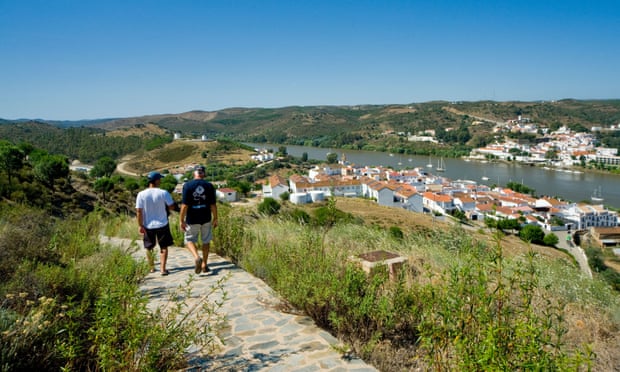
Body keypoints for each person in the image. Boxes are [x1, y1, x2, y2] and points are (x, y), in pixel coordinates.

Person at [136, 171, 176, 276]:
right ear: (157, 180)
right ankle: (163, 269)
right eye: (160, 179)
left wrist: (140, 225)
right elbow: (172, 206)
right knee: (163, 246)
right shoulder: (163, 192)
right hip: (162, 223)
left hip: (148, 224)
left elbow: (139, 211)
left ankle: (152, 268)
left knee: (149, 247)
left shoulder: (141, 194)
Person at [179, 165, 218, 274]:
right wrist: (215, 218)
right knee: (206, 240)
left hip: (192, 218)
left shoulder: (187, 186)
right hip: (206, 218)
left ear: (193, 174)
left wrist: (181, 220)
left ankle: (197, 257)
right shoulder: (209, 186)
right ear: (204, 174)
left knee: (189, 240)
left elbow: (184, 205)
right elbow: (213, 205)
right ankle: (204, 264)